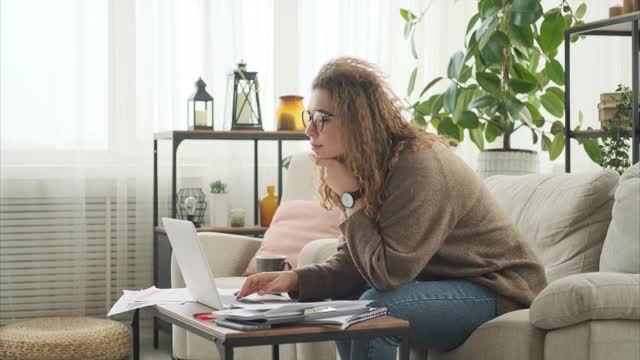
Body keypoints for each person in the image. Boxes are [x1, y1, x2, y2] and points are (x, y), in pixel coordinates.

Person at [236, 57, 547, 360]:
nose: (309, 131)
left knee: (374, 307)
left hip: (498, 289)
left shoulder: (418, 165)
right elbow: (356, 262)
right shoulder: (369, 164)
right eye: (309, 117)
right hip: (448, 284)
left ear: (358, 120)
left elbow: (387, 274)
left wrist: (352, 200)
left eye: (322, 118)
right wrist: (295, 280)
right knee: (350, 301)